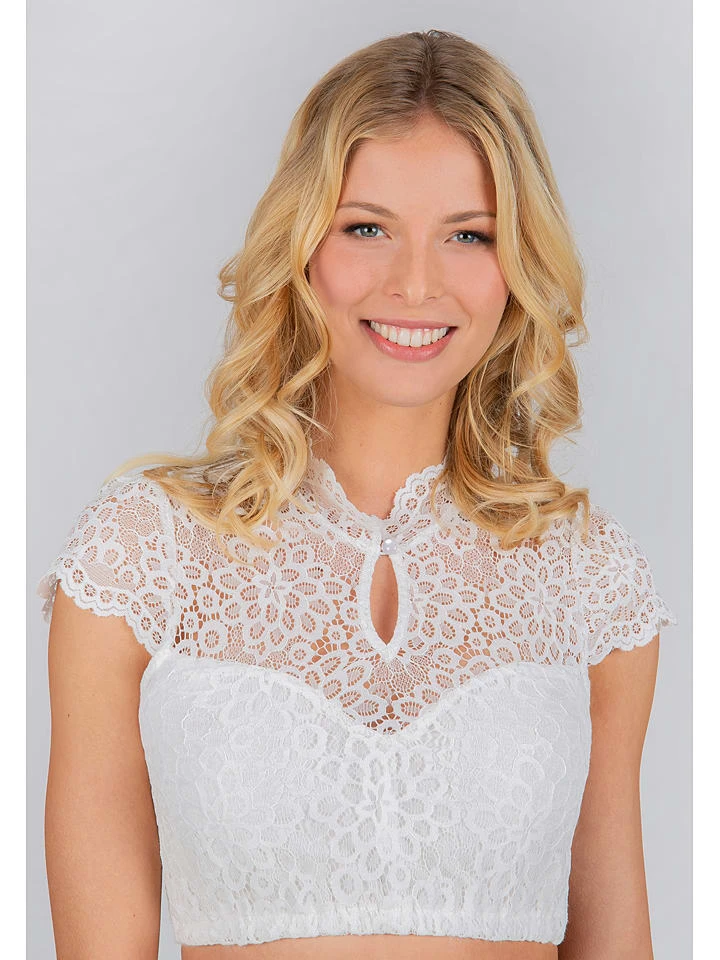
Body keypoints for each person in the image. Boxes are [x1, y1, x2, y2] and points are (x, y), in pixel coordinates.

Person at [38, 28, 677, 960]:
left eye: (468, 235)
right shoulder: (143, 558)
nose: (415, 283)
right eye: (367, 228)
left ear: (519, 265)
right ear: (303, 247)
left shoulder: (589, 580)